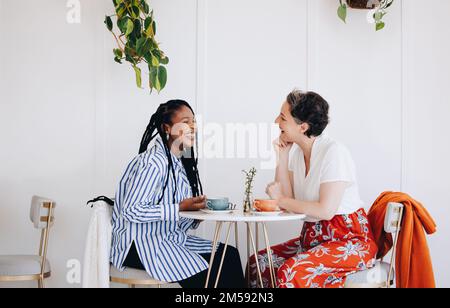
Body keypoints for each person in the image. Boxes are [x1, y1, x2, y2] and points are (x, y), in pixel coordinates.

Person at [248, 90, 378, 288]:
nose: (276, 121)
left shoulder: (334, 152)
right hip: (313, 240)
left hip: (349, 241)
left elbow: (325, 210)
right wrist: (282, 157)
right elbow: (289, 203)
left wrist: (280, 199)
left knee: (291, 272)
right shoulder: (298, 154)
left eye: (282, 117)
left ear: (303, 127)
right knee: (259, 262)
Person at [111, 100, 245, 288]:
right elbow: (131, 211)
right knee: (209, 271)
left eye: (193, 122)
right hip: (138, 246)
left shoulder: (179, 164)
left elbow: (176, 218)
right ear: (167, 128)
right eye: (185, 121)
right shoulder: (153, 163)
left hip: (168, 239)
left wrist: (198, 212)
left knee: (228, 255)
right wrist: (180, 207)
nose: (192, 127)